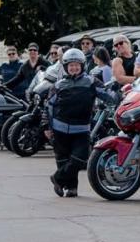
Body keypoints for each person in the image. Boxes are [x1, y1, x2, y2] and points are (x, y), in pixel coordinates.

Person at [45, 49, 114, 198]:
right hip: (59, 128)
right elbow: (49, 107)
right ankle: (71, 189)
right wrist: (47, 127)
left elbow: (107, 94)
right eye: (70, 65)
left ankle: (58, 178)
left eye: (76, 65)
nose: (74, 68)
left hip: (81, 129)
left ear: (82, 66)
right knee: (63, 160)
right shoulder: (57, 85)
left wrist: (120, 97)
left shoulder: (91, 81)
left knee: (79, 158)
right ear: (65, 67)